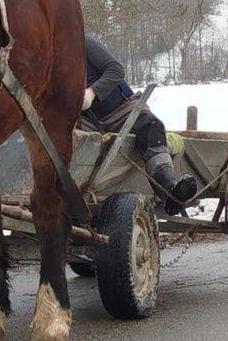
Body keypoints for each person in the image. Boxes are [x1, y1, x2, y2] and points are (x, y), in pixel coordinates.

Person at [82, 35, 197, 214]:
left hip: (122, 108)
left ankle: (168, 190)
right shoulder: (43, 59)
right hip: (85, 121)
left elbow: (115, 70)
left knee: (150, 126)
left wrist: (92, 92)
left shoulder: (82, 42)